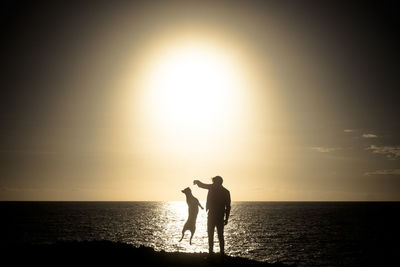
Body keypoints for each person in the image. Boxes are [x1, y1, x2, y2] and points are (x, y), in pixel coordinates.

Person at [193, 176, 231, 256]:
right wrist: (226, 218)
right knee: (218, 234)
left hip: (213, 215)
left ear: (218, 182)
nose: (213, 183)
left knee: (213, 234)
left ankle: (214, 252)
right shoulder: (225, 191)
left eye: (214, 182)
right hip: (217, 215)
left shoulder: (213, 188)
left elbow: (203, 185)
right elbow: (228, 207)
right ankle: (219, 252)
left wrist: (197, 182)